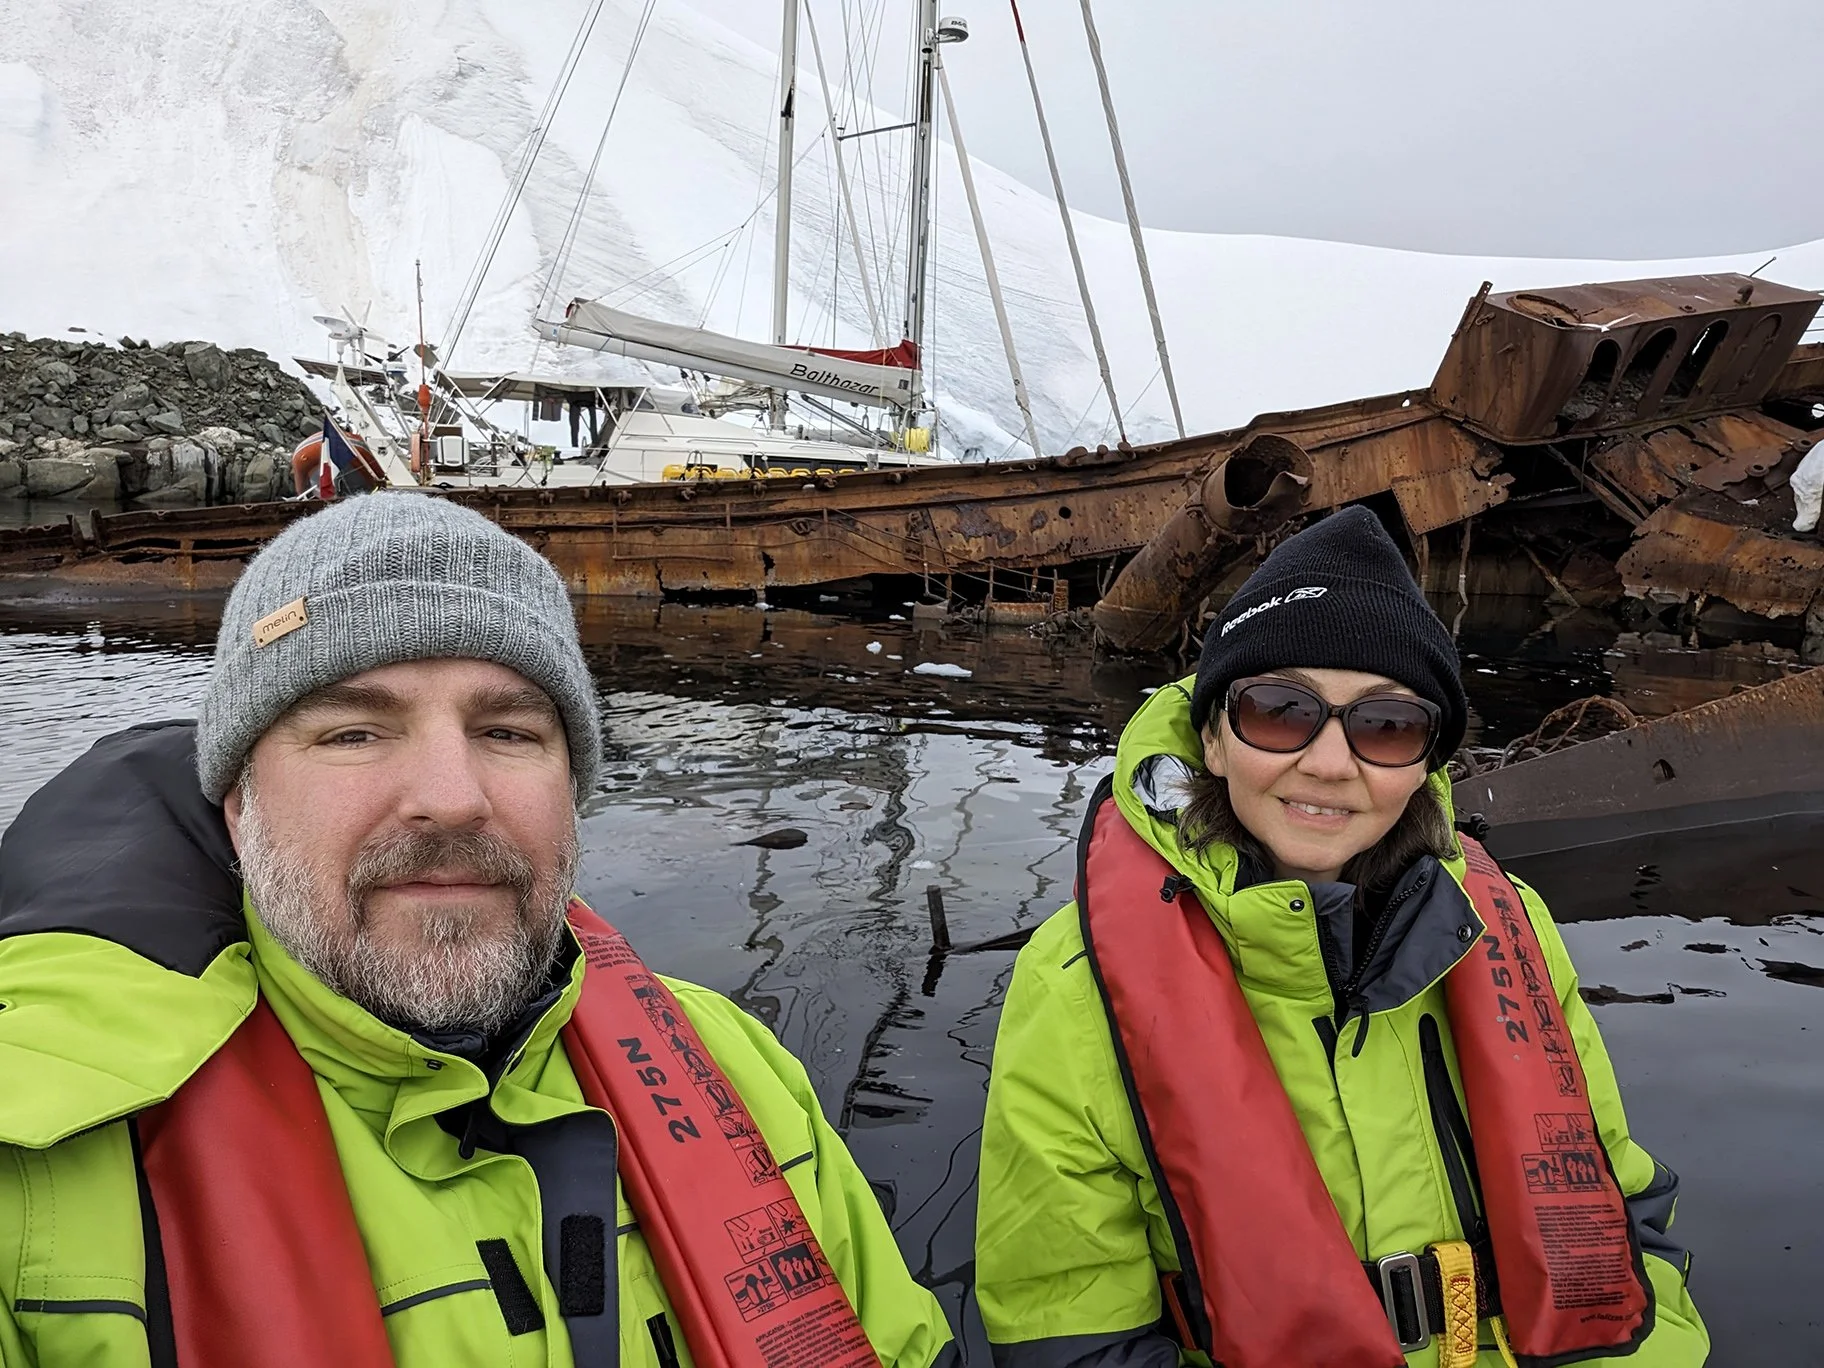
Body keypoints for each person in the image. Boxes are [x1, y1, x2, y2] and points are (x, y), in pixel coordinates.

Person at [0, 493, 951, 1367]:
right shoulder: (35, 1172)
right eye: (354, 732)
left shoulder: (737, 1072)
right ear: (240, 810)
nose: (453, 799)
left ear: (572, 792)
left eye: (508, 733)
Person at [975, 507, 1708, 1367]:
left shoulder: (1511, 927)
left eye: (1386, 725)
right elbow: (1071, 1329)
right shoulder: (1074, 980)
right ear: (1213, 737)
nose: (1327, 764)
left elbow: (1621, 1217)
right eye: (1279, 711)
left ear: (1427, 761)